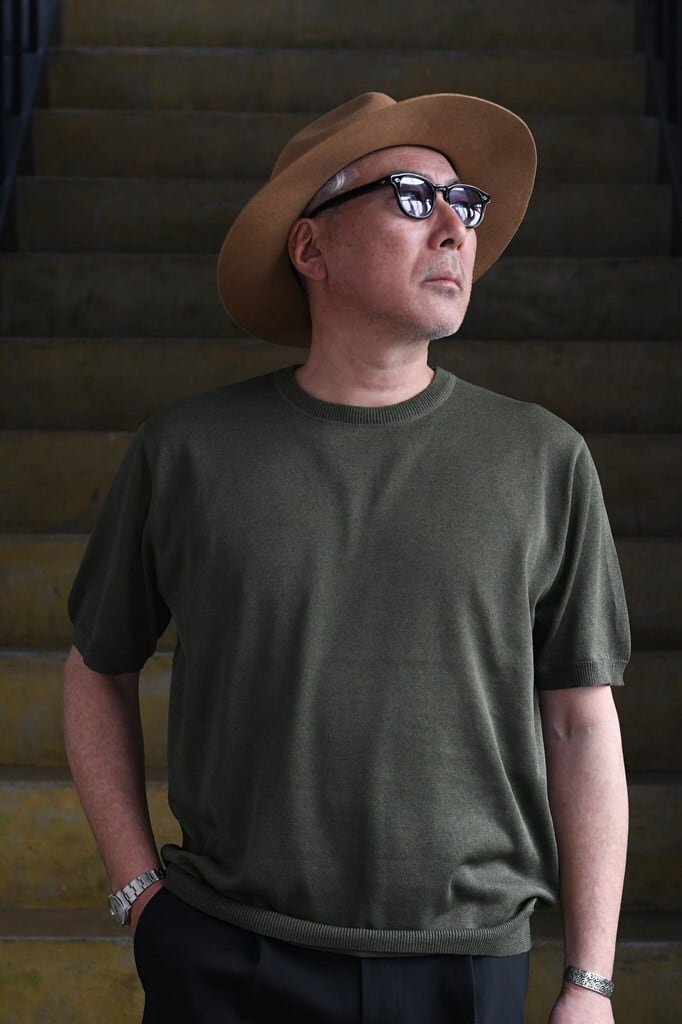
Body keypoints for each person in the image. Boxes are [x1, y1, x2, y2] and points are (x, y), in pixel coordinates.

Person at [63, 92, 630, 1023]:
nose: (454, 228)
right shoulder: (188, 451)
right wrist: (137, 893)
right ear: (310, 247)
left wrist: (590, 979)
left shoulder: (543, 459)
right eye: (411, 196)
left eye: (465, 203)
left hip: (463, 965)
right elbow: (97, 668)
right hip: (226, 953)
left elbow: (580, 724)